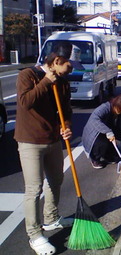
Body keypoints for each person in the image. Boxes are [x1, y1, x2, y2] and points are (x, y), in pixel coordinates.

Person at [14, 42, 79, 255]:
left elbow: (66, 111)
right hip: (30, 141)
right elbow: (25, 102)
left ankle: (51, 218)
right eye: (68, 65)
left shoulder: (62, 83)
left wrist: (66, 127)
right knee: (34, 188)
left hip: (53, 140)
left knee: (56, 180)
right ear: (57, 61)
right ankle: (34, 234)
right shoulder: (28, 75)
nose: (71, 69)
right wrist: (45, 82)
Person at [82, 94, 121, 169]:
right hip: (94, 136)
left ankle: (108, 156)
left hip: (108, 135)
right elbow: (94, 120)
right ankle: (95, 158)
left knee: (116, 150)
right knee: (102, 143)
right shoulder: (104, 108)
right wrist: (108, 132)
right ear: (116, 104)